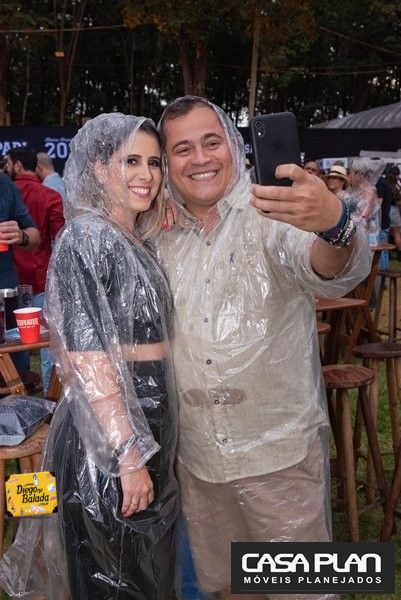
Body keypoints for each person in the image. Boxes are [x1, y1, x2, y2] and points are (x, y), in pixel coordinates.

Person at [156, 96, 371, 600]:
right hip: (200, 460)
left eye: (211, 141)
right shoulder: (159, 234)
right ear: (167, 163)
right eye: (182, 149)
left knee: (301, 592)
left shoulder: (271, 211)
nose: (200, 158)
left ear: (233, 145)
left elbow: (327, 265)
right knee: (229, 589)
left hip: (279, 457)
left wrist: (334, 224)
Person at [0, 114, 179, 599]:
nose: (146, 174)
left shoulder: (133, 239)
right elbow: (87, 355)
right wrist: (127, 454)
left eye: (154, 163)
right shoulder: (86, 239)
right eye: (131, 161)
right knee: (115, 579)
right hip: (108, 441)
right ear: (99, 168)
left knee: (146, 573)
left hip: (146, 424)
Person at [4, 147, 65, 391]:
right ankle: (48, 396)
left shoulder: (7, 188)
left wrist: (20, 236)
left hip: (11, 286)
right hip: (39, 278)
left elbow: (36, 234)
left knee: (15, 351)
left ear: (17, 165)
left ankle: (25, 398)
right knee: (47, 346)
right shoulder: (50, 195)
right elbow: (60, 238)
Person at [0, 173, 39, 370]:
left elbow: (34, 235)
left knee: (17, 370)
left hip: (6, 294)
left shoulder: (4, 185)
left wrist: (21, 236)